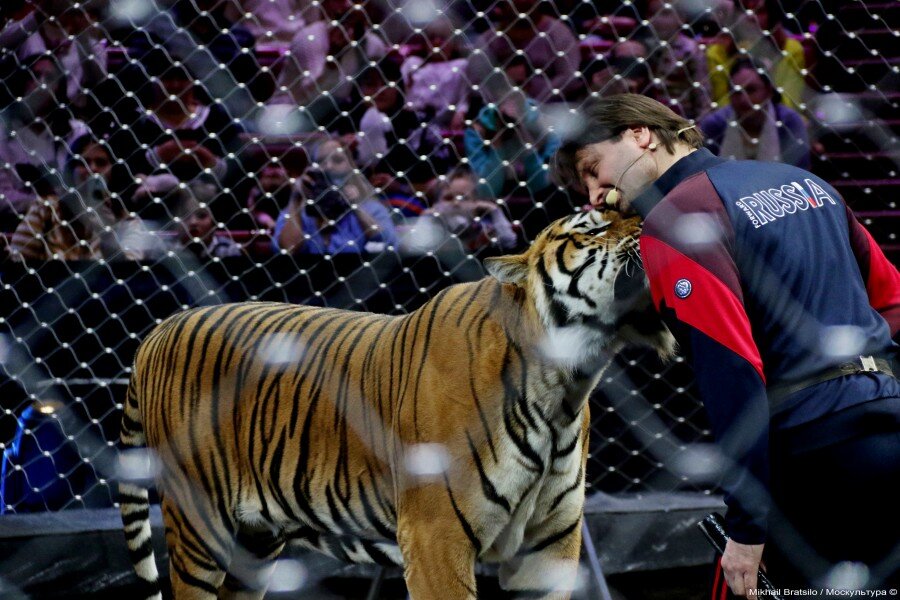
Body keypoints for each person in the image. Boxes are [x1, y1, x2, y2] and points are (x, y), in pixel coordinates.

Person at [553, 94, 900, 594]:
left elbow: (732, 371)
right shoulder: (805, 183)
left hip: (812, 456)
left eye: (593, 169)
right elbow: (891, 301)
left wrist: (746, 527)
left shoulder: (676, 220)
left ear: (639, 134)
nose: (593, 195)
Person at [273, 140, 398, 254]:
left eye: (337, 160)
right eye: (321, 161)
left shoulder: (372, 209)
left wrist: (357, 208)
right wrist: (295, 200)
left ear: (351, 168)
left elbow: (389, 244)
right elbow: (286, 250)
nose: (328, 166)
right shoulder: (294, 213)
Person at [701, 58, 810, 169]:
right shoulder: (715, 125)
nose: (743, 99)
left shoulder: (788, 123)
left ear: (768, 91)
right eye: (737, 92)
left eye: (751, 90)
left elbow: (801, 172)